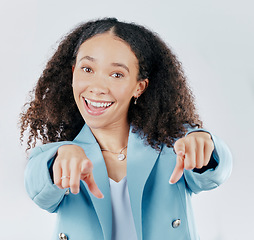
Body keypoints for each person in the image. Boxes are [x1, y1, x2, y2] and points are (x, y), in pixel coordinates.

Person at [20, 18, 232, 240]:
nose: (98, 87)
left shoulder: (172, 146)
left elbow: (215, 173)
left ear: (139, 87)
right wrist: (58, 161)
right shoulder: (62, 156)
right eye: (87, 69)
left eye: (117, 74)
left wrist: (204, 144)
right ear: (73, 73)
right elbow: (37, 188)